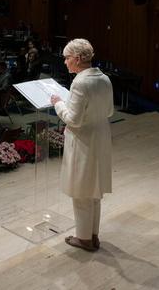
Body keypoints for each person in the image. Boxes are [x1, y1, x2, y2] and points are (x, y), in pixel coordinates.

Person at [50, 38, 113, 252]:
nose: (65, 62)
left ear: (77, 59)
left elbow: (73, 119)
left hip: (84, 141)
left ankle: (83, 239)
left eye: (67, 58)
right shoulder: (104, 78)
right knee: (93, 191)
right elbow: (110, 111)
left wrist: (58, 103)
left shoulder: (80, 82)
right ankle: (92, 235)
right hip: (101, 137)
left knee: (81, 192)